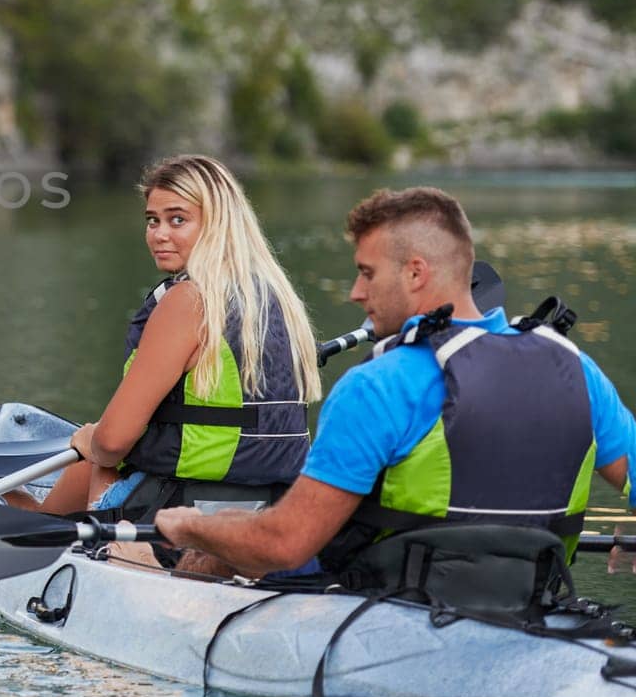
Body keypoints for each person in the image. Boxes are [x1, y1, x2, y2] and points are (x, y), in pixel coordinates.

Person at [156, 186, 636, 586]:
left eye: (367, 273)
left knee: (218, 550)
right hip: (534, 603)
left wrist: (196, 528)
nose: (355, 292)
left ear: (415, 273)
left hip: (391, 610)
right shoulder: (576, 369)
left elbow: (284, 544)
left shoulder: (377, 385)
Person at [11, 155, 320, 535]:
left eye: (178, 220)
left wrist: (92, 439)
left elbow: (112, 442)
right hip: (272, 509)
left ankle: (31, 531)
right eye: (152, 220)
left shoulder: (189, 301)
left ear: (218, 224)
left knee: (100, 452)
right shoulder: (275, 300)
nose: (159, 234)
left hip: (176, 511)